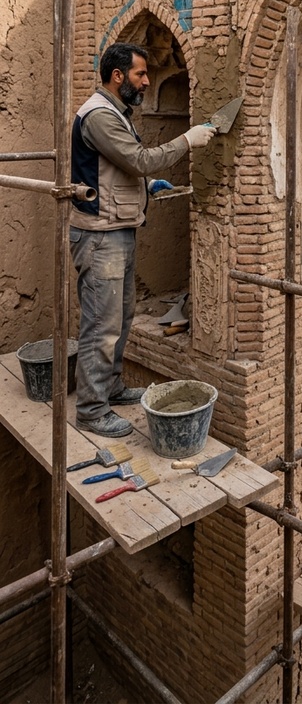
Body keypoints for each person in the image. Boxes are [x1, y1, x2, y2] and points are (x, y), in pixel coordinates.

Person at [70, 41, 215, 438]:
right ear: (118, 76)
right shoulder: (100, 115)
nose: (147, 81)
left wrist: (148, 186)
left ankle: (111, 388)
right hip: (100, 237)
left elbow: (111, 168)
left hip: (117, 231)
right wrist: (188, 140)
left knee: (120, 317)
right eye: (140, 74)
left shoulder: (115, 110)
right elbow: (136, 158)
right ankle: (91, 410)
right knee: (102, 325)